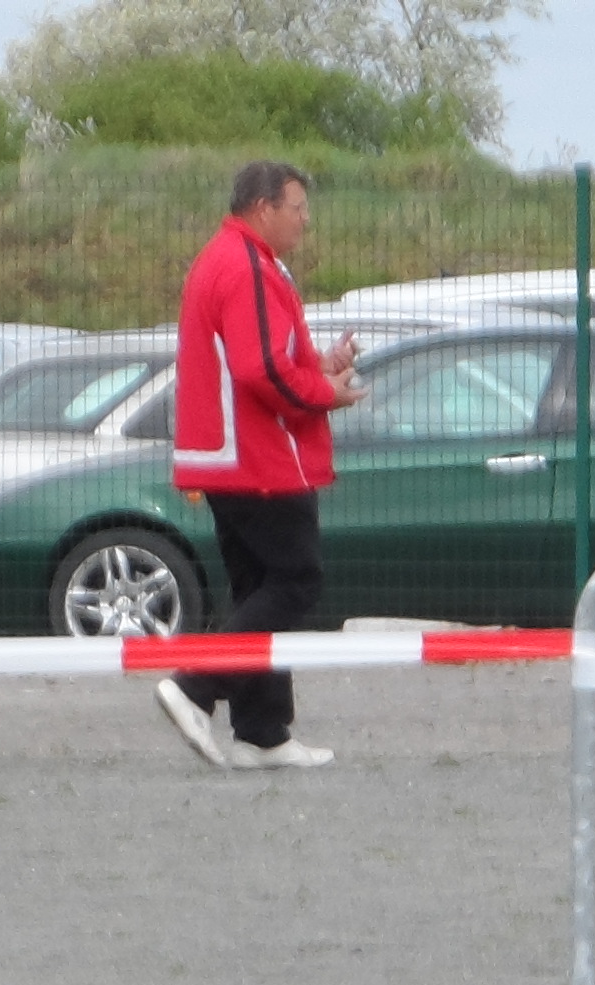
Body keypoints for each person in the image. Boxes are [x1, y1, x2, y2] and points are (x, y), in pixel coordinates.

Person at [163, 160, 361, 774]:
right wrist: (329, 392)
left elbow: (265, 360)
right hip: (258, 458)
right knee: (296, 581)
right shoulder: (245, 266)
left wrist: (319, 365)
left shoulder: (233, 260)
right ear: (262, 207)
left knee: (257, 588)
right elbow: (260, 371)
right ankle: (195, 686)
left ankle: (262, 731)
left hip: (230, 457)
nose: (306, 221)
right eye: (297, 208)